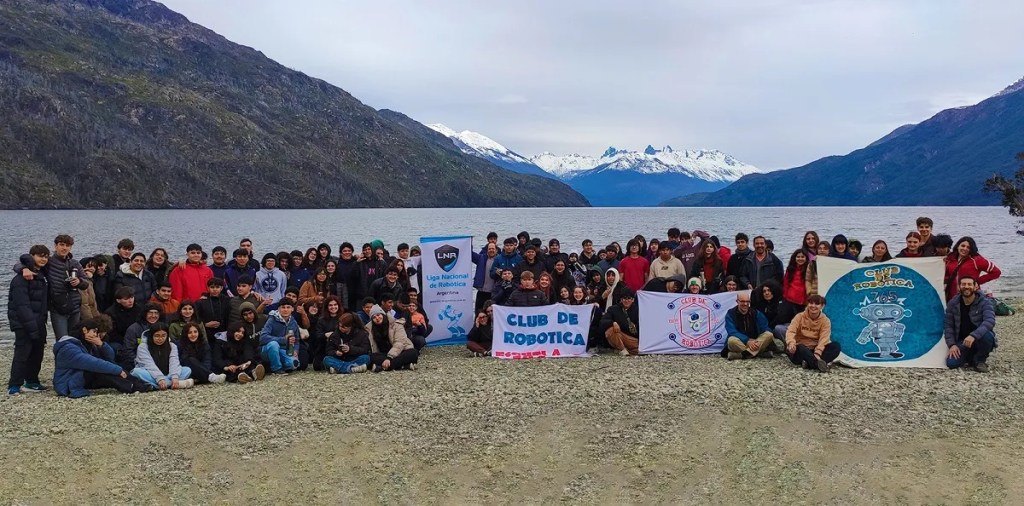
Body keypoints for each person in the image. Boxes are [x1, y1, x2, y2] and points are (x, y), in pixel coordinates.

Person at [53, 316, 154, 397]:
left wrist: (101, 345)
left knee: (113, 367)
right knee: (103, 372)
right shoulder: (68, 348)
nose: (97, 335)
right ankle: (132, 387)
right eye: (94, 332)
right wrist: (118, 370)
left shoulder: (86, 343)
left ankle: (141, 383)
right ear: (84, 330)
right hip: (68, 383)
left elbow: (110, 358)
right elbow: (92, 363)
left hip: (81, 376)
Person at [15, 234, 89, 342]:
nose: (64, 248)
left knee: (74, 340)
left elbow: (86, 283)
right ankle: (60, 358)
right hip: (57, 308)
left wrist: (79, 282)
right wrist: (24, 269)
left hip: (75, 307)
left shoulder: (74, 263)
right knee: (62, 341)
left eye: (67, 245)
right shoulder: (48, 261)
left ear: (71, 247)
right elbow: (22, 261)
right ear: (55, 246)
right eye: (61, 245)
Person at [7, 245, 51, 395]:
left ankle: (32, 381)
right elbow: (22, 306)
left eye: (46, 256)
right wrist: (32, 327)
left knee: (37, 353)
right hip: (22, 322)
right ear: (32, 256)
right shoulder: (21, 278)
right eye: (40, 255)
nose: (43, 259)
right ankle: (14, 385)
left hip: (39, 321)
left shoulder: (42, 274)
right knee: (22, 353)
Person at [944, 276, 996, 372]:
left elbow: (990, 321)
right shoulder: (953, 304)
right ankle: (971, 357)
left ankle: (980, 360)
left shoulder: (985, 302)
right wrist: (952, 345)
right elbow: (948, 326)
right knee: (951, 364)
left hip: (979, 338)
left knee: (987, 335)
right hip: (962, 341)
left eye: (969, 284)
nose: (966, 287)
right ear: (959, 287)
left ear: (975, 287)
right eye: (963, 284)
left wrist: (973, 335)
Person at [783, 294, 840, 373]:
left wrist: (817, 353)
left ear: (822, 306)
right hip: (801, 348)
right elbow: (791, 331)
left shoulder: (825, 321)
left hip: (815, 349)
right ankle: (818, 364)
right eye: (811, 303)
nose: (813, 306)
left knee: (836, 346)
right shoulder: (799, 317)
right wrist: (791, 343)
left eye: (817, 304)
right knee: (800, 348)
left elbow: (824, 338)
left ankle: (810, 363)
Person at [131, 322, 195, 389]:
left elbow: (174, 362)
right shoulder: (143, 347)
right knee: (137, 372)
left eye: (163, 336)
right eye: (157, 336)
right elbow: (149, 364)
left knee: (187, 370)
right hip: (151, 373)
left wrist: (175, 377)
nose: (160, 339)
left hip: (168, 374)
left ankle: (157, 386)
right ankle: (174, 384)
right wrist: (160, 378)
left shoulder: (172, 346)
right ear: (151, 335)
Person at [944, 236, 1001, 301]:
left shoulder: (977, 260)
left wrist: (978, 281)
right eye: (963, 246)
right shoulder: (950, 258)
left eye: (968, 247)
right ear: (958, 246)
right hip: (952, 296)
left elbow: (996, 272)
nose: (965, 248)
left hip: (971, 295)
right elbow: (947, 274)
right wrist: (945, 283)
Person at [365, 305, 419, 372]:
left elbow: (400, 342)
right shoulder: (370, 329)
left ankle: (384, 367)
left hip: (400, 351)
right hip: (383, 354)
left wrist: (389, 358)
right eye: (374, 317)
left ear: (383, 315)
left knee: (413, 353)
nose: (377, 318)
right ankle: (402, 366)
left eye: (378, 315)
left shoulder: (396, 325)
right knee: (371, 357)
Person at [724, 292, 774, 360]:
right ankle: (758, 353)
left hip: (755, 341)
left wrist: (755, 341)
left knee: (769, 335)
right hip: (740, 341)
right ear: (737, 301)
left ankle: (743, 355)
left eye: (747, 301)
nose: (745, 304)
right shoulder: (730, 314)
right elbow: (732, 331)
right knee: (731, 341)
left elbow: (765, 327)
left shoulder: (756, 313)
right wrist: (747, 340)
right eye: (742, 301)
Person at [259, 298, 301, 374]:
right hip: (268, 349)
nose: (285, 310)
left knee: (294, 364)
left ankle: (268, 367)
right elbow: (263, 338)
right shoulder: (272, 319)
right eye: (283, 307)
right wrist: (283, 339)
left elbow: (297, 340)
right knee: (274, 344)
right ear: (278, 309)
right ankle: (276, 369)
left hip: (284, 350)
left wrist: (296, 350)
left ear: (292, 309)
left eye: (288, 307)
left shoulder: (293, 322)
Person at [600, 288, 640, 356]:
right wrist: (613, 323)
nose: (626, 300)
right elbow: (603, 321)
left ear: (633, 300)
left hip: (634, 339)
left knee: (642, 350)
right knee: (610, 331)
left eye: (629, 298)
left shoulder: (639, 310)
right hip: (620, 336)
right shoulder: (613, 309)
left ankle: (624, 349)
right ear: (621, 300)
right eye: (624, 298)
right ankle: (622, 350)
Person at [779, 250, 809, 325]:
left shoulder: (809, 270)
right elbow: (785, 284)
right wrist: (785, 297)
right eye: (798, 257)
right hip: (790, 300)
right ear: (794, 258)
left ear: (806, 258)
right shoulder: (790, 269)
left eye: (802, 257)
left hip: (803, 301)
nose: (800, 259)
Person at [196, 277, 230, 342]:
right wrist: (205, 324)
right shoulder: (201, 302)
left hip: (223, 334)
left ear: (221, 288)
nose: (215, 289)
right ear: (208, 288)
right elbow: (196, 318)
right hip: (207, 334)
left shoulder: (227, 300)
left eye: (217, 287)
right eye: (212, 287)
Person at [473, 242, 498, 311]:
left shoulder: (499, 260)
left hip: (494, 293)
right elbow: (470, 254)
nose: (491, 250)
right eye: (489, 249)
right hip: (481, 291)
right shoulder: (481, 258)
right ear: (487, 250)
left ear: (496, 250)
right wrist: (469, 242)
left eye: (493, 248)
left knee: (492, 314)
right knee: (479, 312)